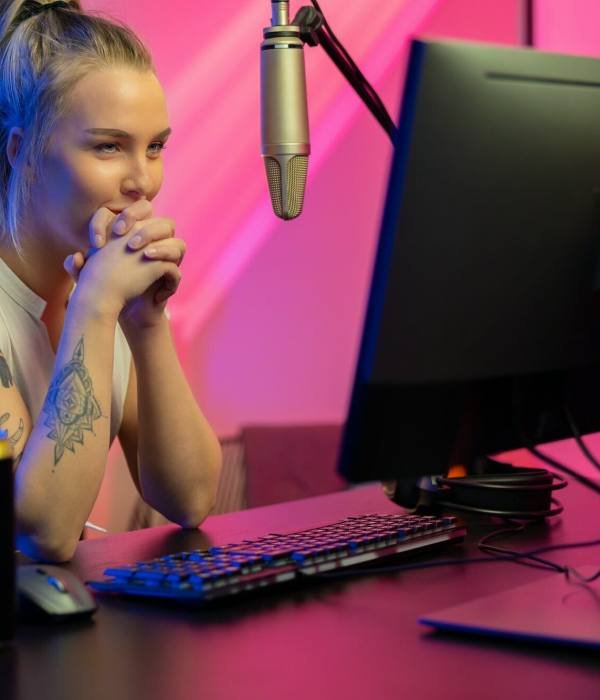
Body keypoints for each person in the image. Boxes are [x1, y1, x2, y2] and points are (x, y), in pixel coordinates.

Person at [0, 0, 222, 562]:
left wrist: (146, 324)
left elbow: (190, 498)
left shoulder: (102, 292)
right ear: (20, 151)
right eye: (108, 146)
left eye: (155, 146)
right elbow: (43, 532)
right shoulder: (93, 299)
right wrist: (95, 308)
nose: (142, 181)